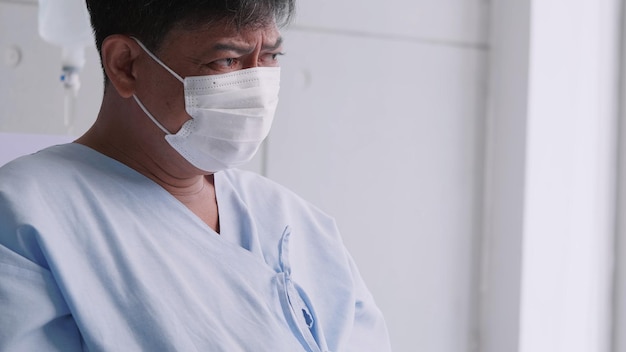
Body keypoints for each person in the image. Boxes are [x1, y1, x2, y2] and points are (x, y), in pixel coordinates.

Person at [0, 0, 391, 351]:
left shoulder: (297, 222)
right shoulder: (25, 219)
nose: (256, 90)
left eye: (270, 56)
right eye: (226, 62)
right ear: (125, 64)